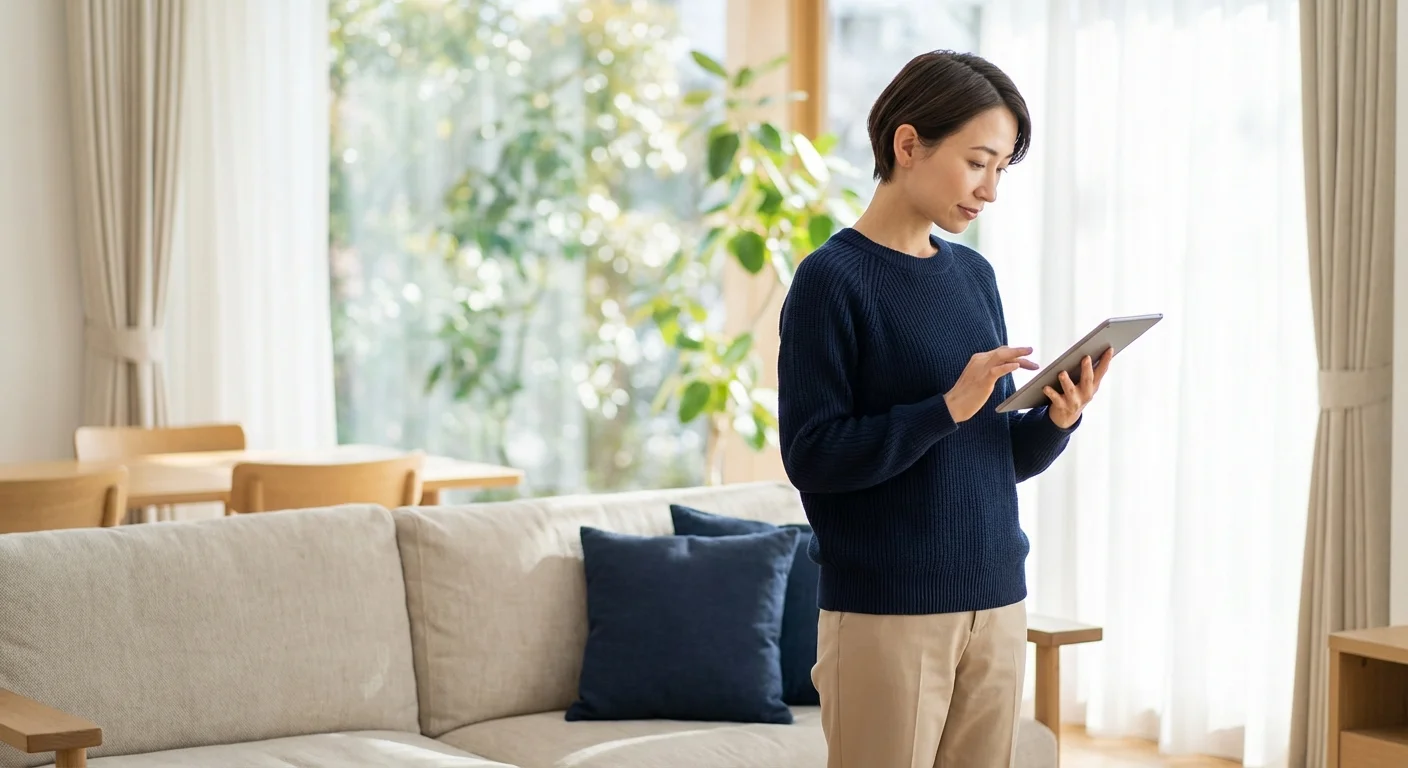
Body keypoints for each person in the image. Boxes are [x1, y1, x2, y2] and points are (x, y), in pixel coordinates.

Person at [777, 50, 1114, 768]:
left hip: (995, 599)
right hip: (886, 610)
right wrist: (945, 408)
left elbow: (988, 456)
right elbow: (813, 456)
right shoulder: (830, 281)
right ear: (907, 145)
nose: (990, 190)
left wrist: (1056, 420)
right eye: (978, 162)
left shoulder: (973, 275)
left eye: (1003, 170)